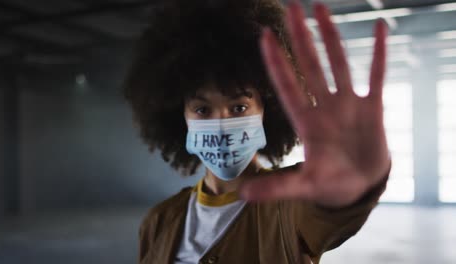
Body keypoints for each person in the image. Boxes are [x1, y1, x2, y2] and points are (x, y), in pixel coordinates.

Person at [123, 0, 391, 263]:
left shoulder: (292, 203)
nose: (220, 125)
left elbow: (328, 214)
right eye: (203, 110)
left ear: (268, 109)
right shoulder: (158, 221)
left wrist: (357, 189)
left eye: (238, 107)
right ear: (180, 116)